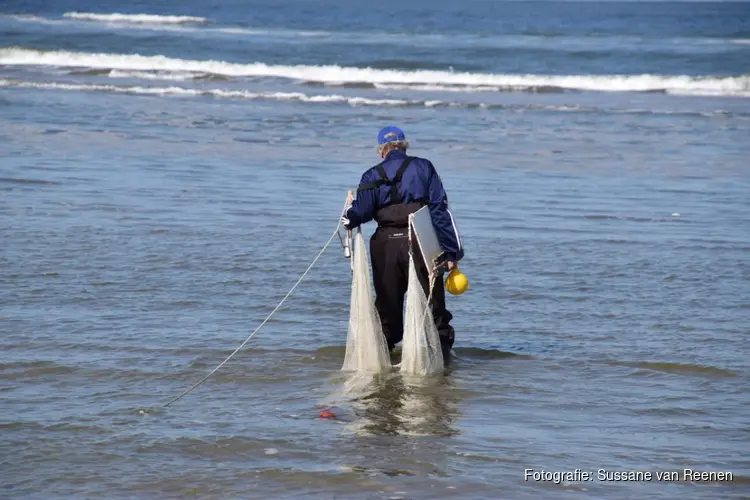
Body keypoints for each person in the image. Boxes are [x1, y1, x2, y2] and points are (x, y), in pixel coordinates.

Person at [340, 125, 464, 360]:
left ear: (381, 151)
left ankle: (384, 362)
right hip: (421, 241)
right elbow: (440, 210)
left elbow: (362, 212)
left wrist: (349, 217)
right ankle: (442, 363)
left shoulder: (371, 175)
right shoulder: (424, 167)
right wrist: (451, 252)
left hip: (385, 244)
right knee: (433, 306)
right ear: (404, 146)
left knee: (388, 307)